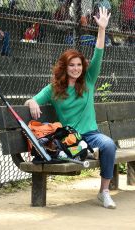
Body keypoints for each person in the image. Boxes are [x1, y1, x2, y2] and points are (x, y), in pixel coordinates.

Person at [25, 7, 116, 209]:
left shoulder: (89, 80)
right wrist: (32, 102)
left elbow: (98, 53)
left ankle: (104, 192)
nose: (76, 68)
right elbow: (32, 100)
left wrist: (102, 29)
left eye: (79, 65)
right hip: (70, 138)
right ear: (64, 67)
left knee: (109, 144)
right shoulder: (54, 88)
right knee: (79, 149)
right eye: (71, 65)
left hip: (91, 134)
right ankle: (89, 152)